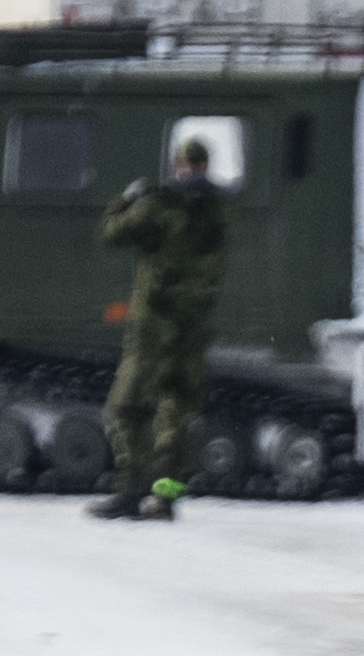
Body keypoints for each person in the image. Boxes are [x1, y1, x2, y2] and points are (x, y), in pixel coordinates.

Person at [93, 127, 228, 522]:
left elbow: (111, 233)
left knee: (124, 410)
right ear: (207, 165)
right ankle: (166, 497)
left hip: (154, 327)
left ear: (180, 165)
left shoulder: (158, 204)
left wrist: (128, 199)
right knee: (175, 413)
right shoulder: (218, 210)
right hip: (193, 327)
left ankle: (128, 494)